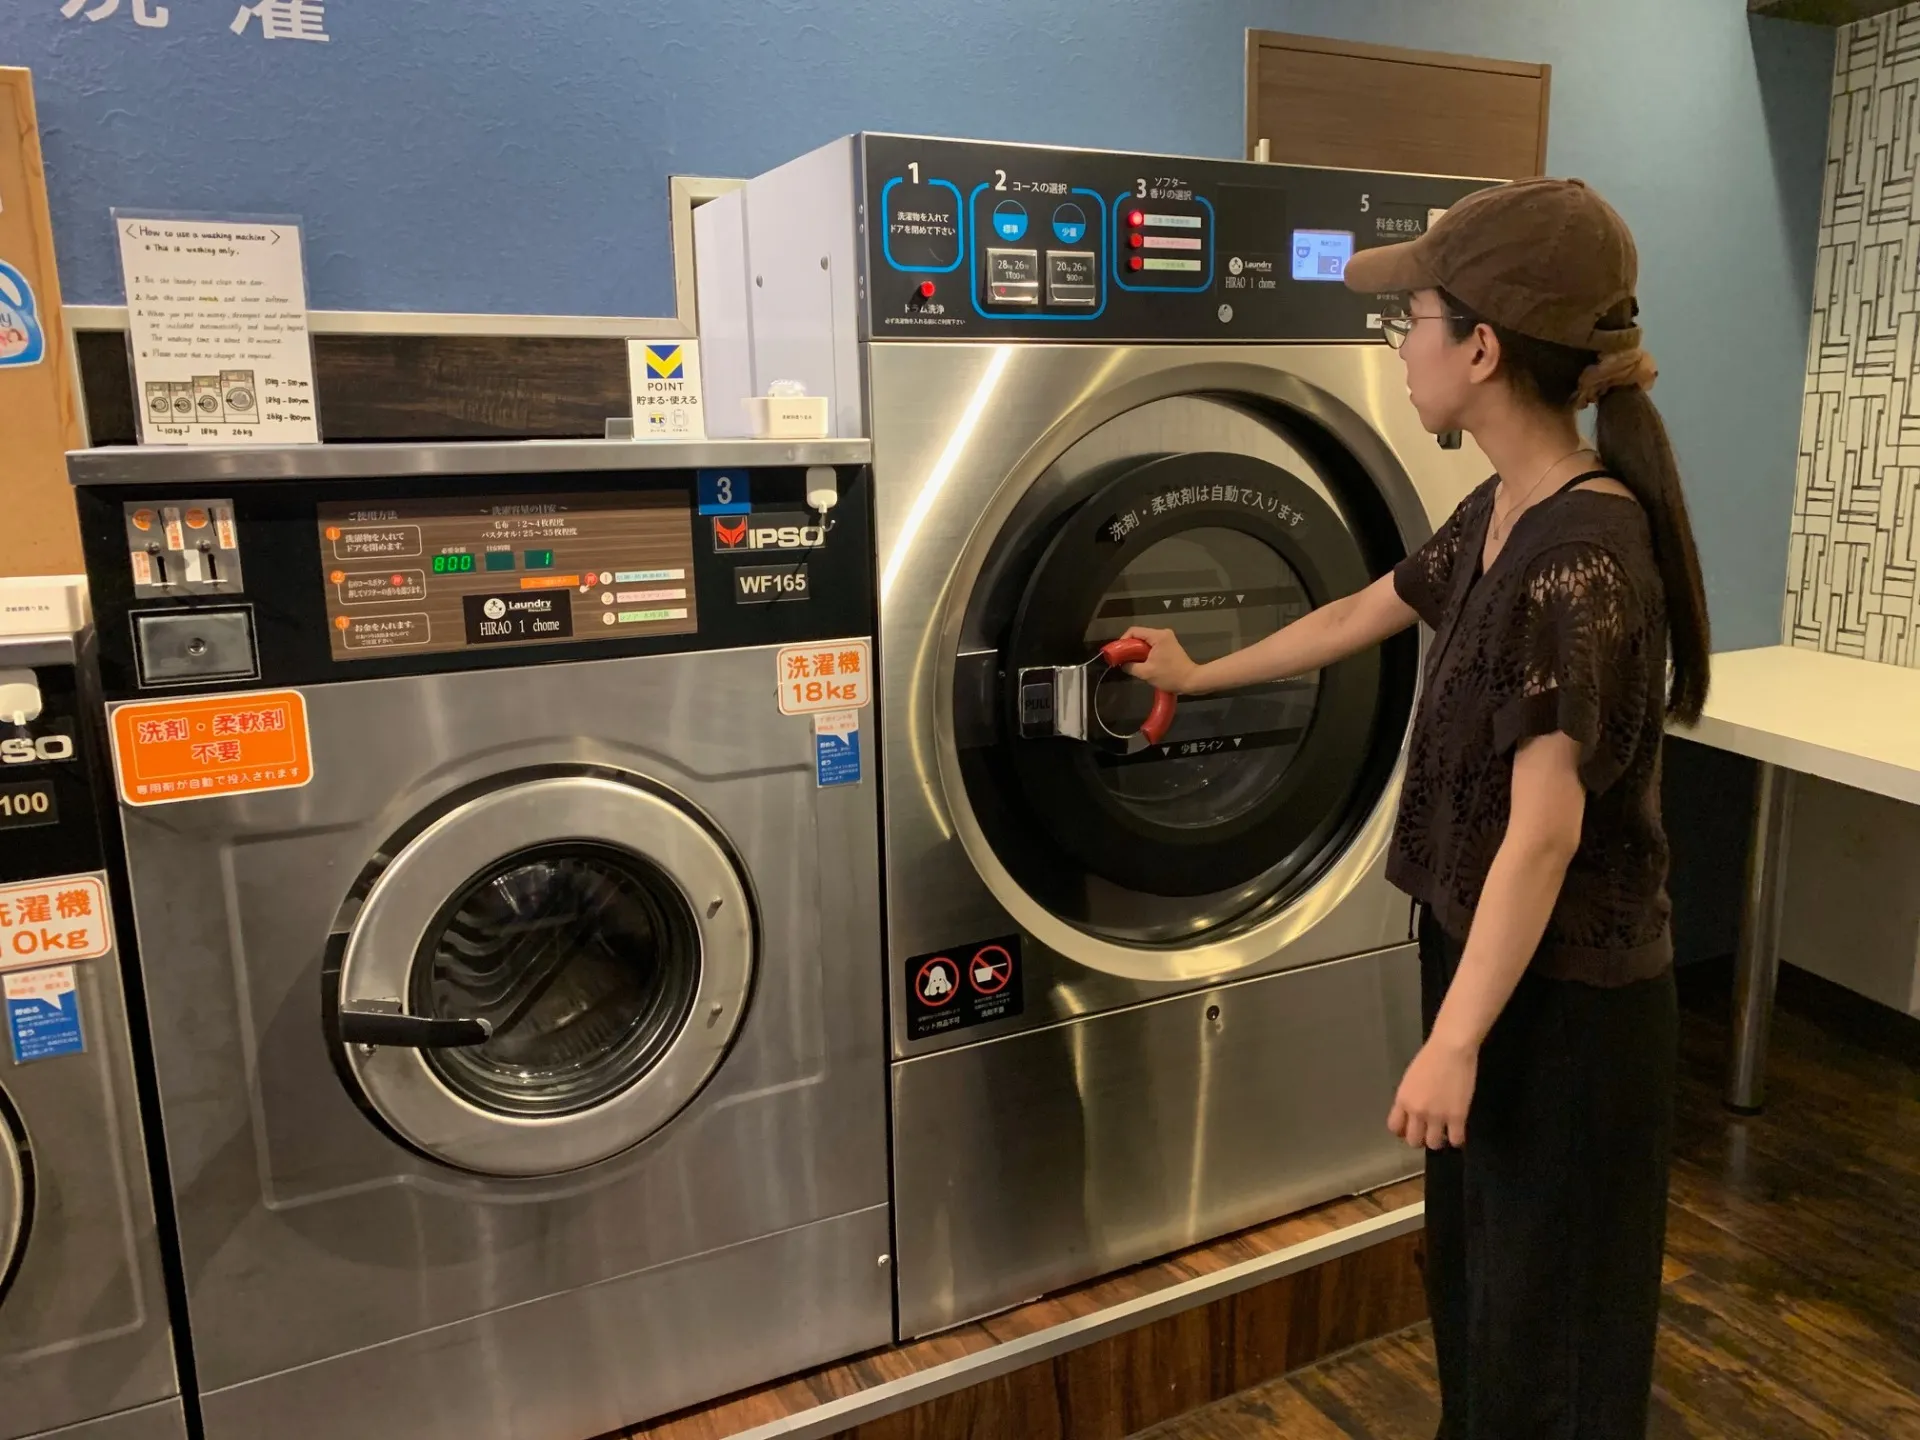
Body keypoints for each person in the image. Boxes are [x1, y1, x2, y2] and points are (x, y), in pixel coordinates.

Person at [1120, 177, 1708, 1438]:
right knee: (1484, 1299)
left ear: (1481, 349)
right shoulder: (1503, 509)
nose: (1400, 347)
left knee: (1550, 1336)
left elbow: (1545, 834)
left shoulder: (1580, 560)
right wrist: (1198, 673)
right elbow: (1363, 608)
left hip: (1566, 1005)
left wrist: (1456, 1041)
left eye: (1413, 320)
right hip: (1489, 963)